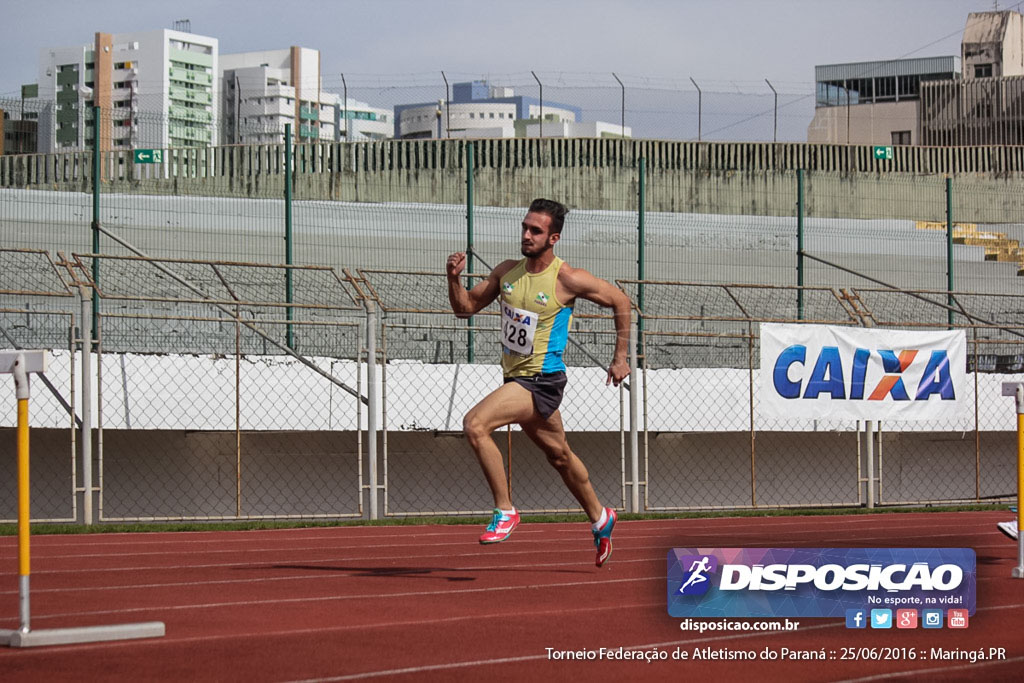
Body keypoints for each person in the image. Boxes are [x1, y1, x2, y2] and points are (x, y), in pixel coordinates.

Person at [446, 198, 632, 567]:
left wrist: (621, 357)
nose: (527, 235)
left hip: (542, 380)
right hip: (517, 377)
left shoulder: (568, 278)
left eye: (536, 231)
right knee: (560, 456)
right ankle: (600, 517)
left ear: (553, 238)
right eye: (525, 227)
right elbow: (464, 308)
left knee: (475, 424)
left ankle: (505, 510)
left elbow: (621, 301)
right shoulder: (507, 273)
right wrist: (453, 280)